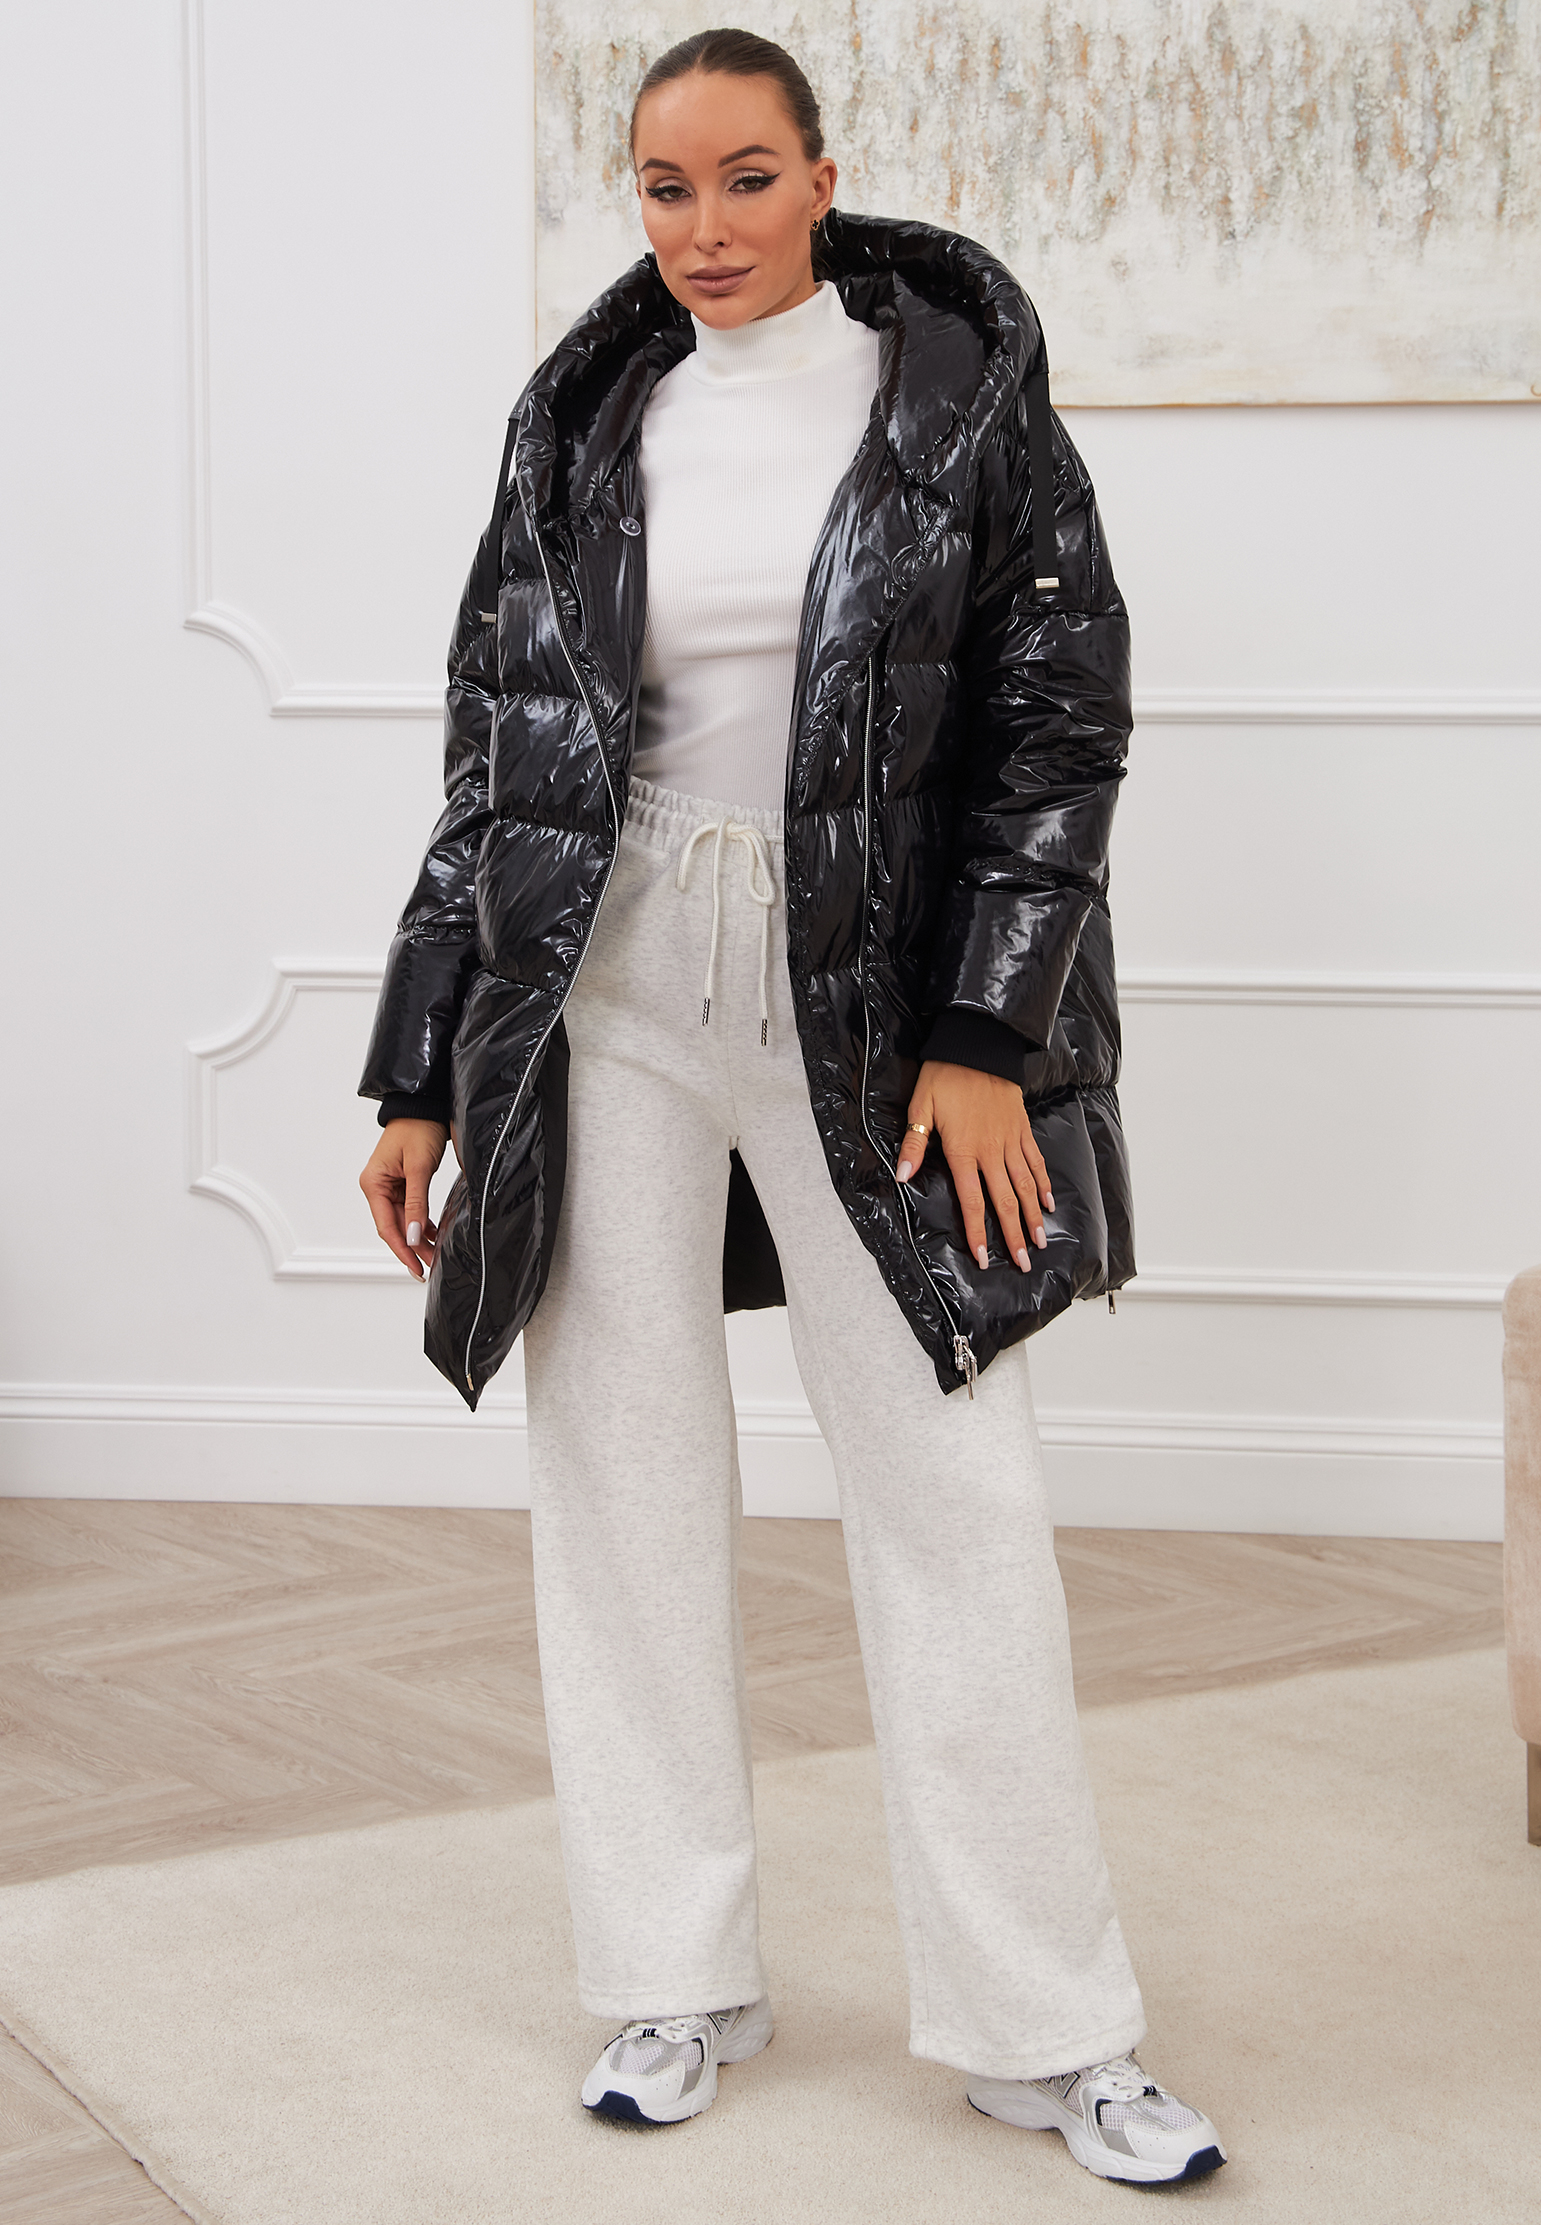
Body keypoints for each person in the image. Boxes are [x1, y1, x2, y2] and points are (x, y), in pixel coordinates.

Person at [358, 28, 1225, 2188]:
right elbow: (494, 758)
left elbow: (1058, 734)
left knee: (953, 1484)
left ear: (824, 179)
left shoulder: (959, 407)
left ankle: (1049, 2028)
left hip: (872, 996)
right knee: (624, 1475)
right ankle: (670, 1973)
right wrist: (418, 1064)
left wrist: (985, 1036)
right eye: (665, 187)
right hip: (608, 980)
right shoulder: (584, 420)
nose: (707, 227)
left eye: (746, 178)